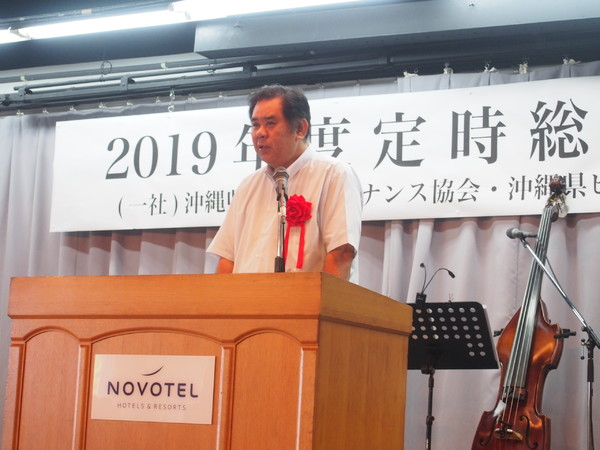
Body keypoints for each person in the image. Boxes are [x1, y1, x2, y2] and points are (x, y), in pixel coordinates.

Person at [207, 84, 363, 282]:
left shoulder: (333, 174)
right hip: (245, 299)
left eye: (270, 123)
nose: (260, 133)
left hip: (303, 300)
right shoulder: (248, 185)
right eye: (255, 125)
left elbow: (341, 253)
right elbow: (227, 259)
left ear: (300, 129)